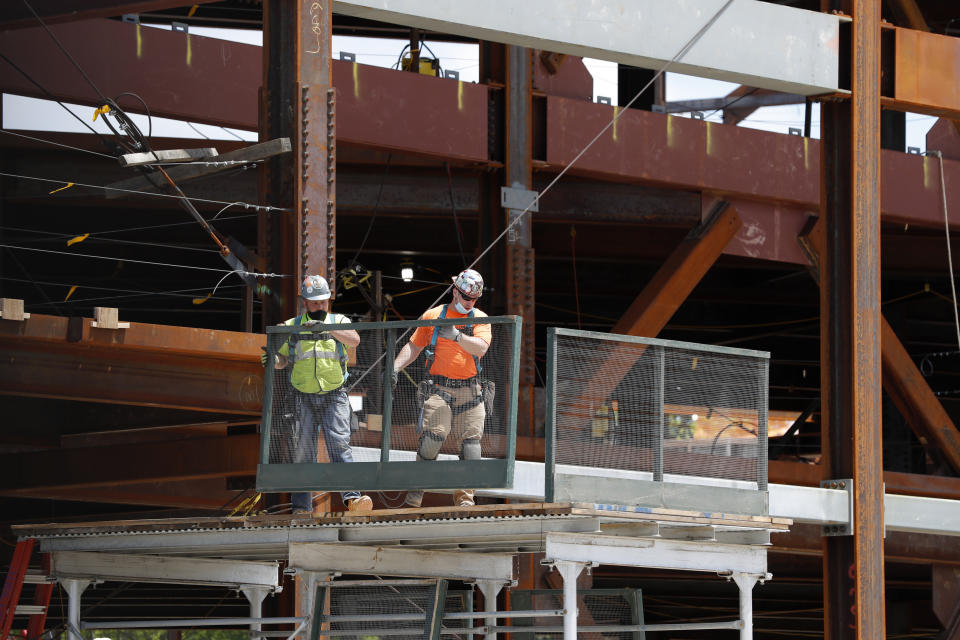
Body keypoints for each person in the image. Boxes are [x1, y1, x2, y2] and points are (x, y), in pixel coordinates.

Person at [263, 275, 373, 514]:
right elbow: (282, 359)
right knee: (303, 452)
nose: (320, 306)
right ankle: (302, 508)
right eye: (315, 303)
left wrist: (328, 328)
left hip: (334, 395)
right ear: (305, 302)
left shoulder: (338, 320)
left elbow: (354, 340)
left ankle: (353, 499)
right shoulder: (292, 326)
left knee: (340, 446)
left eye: (323, 302)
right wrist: (274, 360)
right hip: (302, 397)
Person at [392, 268, 491, 508]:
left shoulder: (481, 318)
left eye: (474, 299)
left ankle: (465, 502)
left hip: (471, 391)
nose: (470, 303)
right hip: (440, 389)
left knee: (471, 447)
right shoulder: (433, 316)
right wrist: (394, 367)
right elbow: (414, 347)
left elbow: (481, 348)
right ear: (455, 292)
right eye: (467, 297)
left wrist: (457, 336)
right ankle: (414, 499)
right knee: (432, 440)